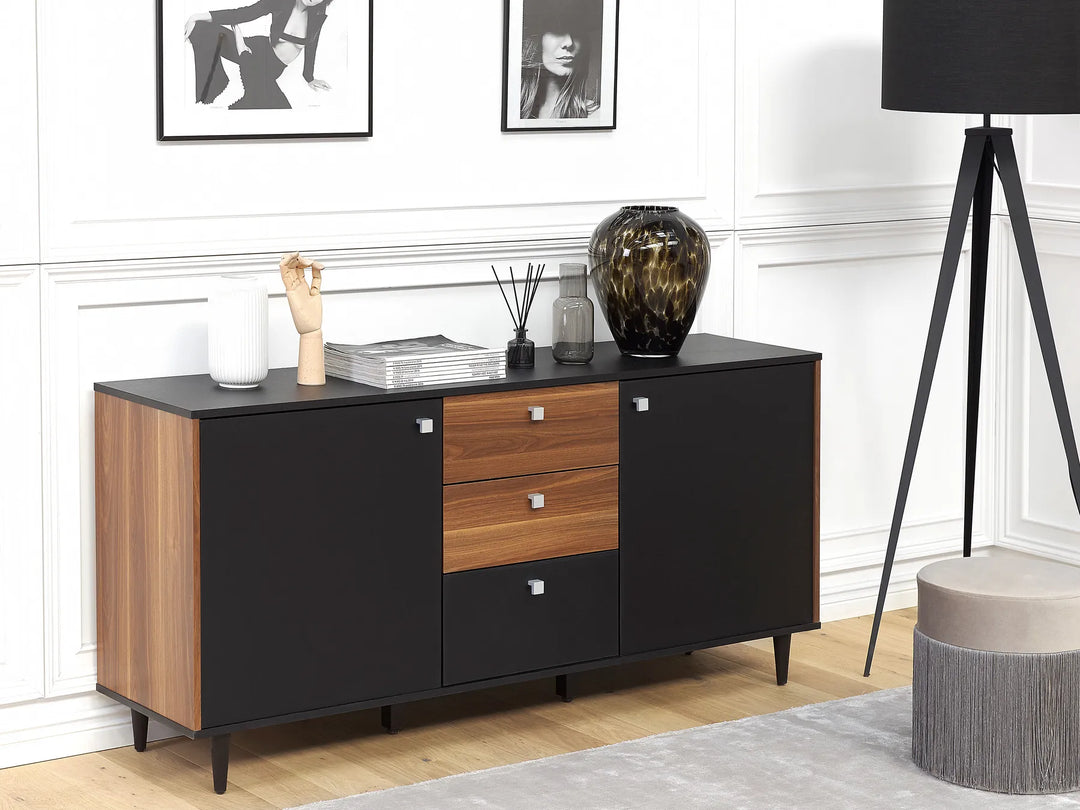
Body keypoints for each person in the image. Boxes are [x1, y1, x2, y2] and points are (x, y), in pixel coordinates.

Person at [184, 0, 335, 110]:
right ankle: (216, 81)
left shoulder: (317, 14)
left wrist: (309, 77)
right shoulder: (280, 2)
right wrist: (196, 16)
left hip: (270, 67)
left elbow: (312, 44)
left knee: (276, 109)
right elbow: (243, 13)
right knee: (201, 28)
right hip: (255, 48)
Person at [519, 0, 602, 120]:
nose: (569, 42)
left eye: (577, 31)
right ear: (536, 40)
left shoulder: (596, 117)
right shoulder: (511, 110)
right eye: (557, 29)